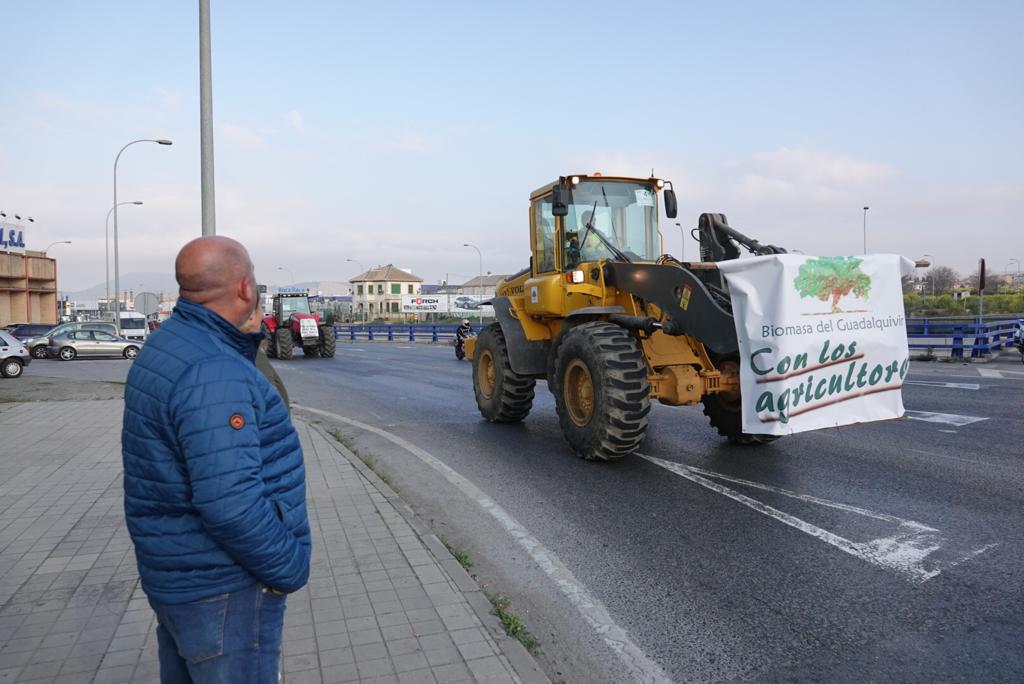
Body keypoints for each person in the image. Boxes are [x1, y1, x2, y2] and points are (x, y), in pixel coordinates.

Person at [122, 236, 311, 683]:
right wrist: (290, 566)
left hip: (181, 580)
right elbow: (230, 503)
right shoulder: (214, 368)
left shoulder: (170, 343)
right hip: (222, 591)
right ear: (246, 288)